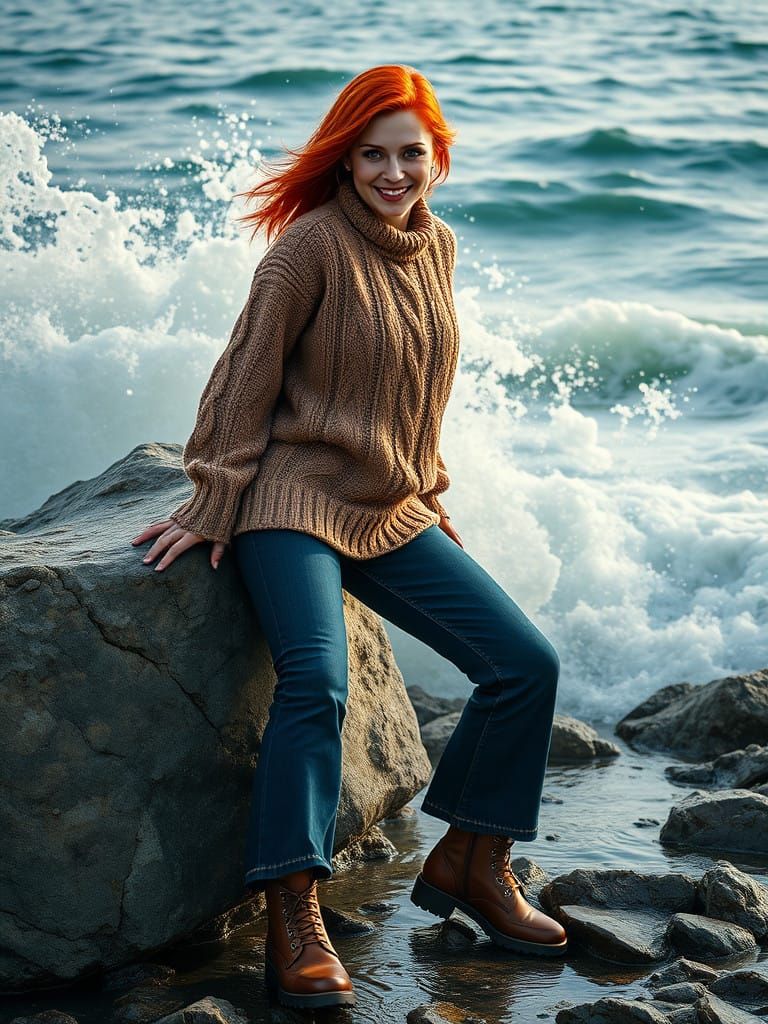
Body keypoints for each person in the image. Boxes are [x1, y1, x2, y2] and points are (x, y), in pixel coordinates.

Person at [130, 63, 567, 1011]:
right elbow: (239, 384)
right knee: (317, 681)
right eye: (372, 153)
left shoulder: (437, 246)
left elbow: (417, 384)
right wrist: (212, 499)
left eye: (411, 153)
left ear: (439, 158)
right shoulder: (307, 252)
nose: (392, 171)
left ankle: (473, 862)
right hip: (289, 500)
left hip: (387, 506)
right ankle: (296, 908)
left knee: (527, 663)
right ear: (345, 157)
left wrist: (428, 486)